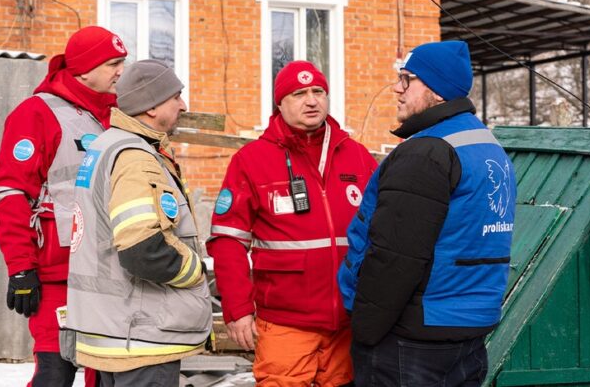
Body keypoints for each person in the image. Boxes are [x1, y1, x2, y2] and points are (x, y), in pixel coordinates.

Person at [338, 40, 517, 386]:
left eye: (407, 79)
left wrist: (366, 331)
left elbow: (395, 256)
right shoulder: (485, 145)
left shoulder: (426, 153)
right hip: (467, 330)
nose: (396, 88)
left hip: (412, 340)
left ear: (436, 89)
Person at [207, 60, 378, 386]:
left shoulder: (356, 156)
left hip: (348, 321)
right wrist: (238, 308)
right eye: (299, 93)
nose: (311, 101)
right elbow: (228, 240)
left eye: (318, 92)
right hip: (285, 324)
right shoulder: (252, 160)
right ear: (280, 103)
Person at [0, 26, 127, 386]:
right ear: (85, 68)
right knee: (55, 373)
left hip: (111, 276)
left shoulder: (119, 119)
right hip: (56, 277)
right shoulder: (37, 113)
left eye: (122, 63)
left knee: (107, 375)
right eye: (113, 63)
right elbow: (9, 194)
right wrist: (21, 268)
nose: (120, 72)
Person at [65, 59, 212, 386]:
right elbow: (143, 250)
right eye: (176, 96)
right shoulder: (135, 158)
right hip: (140, 336)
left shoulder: (106, 145)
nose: (183, 105)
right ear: (151, 107)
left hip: (114, 329)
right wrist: (196, 270)